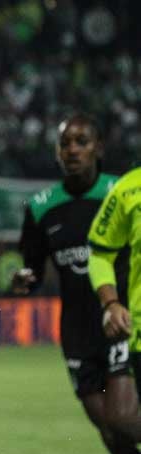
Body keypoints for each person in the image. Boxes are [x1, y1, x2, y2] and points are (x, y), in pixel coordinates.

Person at [12, 115, 141, 454]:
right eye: (65, 143)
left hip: (117, 322)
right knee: (111, 434)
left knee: (122, 418)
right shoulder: (41, 208)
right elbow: (33, 264)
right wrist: (25, 281)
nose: (73, 150)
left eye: (81, 142)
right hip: (76, 333)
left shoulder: (119, 193)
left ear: (98, 148)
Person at [90, 164, 141, 418]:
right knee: (123, 417)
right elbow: (100, 253)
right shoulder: (127, 189)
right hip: (139, 333)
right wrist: (110, 303)